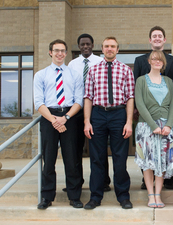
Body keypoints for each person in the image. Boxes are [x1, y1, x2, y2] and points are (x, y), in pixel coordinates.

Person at [83, 37, 134, 210]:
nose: (109, 49)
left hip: (118, 114)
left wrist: (128, 122)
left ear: (117, 49)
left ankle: (123, 196)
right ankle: (95, 197)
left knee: (120, 158)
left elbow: (130, 98)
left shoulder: (126, 70)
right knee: (97, 158)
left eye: (113, 46)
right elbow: (88, 97)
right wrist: (87, 121)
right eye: (106, 46)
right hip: (98, 114)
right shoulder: (93, 70)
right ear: (102, 49)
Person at [33, 39, 84, 209]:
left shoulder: (74, 75)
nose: (59, 54)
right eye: (56, 50)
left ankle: (74, 196)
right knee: (49, 160)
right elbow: (39, 103)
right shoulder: (41, 75)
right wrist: (54, 120)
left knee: (72, 160)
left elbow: (79, 101)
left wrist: (65, 118)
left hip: (69, 117)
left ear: (66, 53)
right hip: (49, 118)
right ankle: (47, 197)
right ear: (50, 52)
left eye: (62, 50)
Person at [134, 26, 173, 190]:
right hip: (147, 116)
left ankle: (168, 178)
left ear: (164, 39)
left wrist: (169, 122)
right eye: (154, 36)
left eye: (160, 36)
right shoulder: (140, 61)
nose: (157, 38)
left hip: (166, 115)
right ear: (150, 40)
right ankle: (146, 179)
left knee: (165, 149)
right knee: (147, 150)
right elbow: (136, 89)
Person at [67, 33, 112, 193]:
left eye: (88, 44)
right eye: (82, 44)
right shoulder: (72, 64)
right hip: (77, 108)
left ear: (93, 46)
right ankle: (76, 181)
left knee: (99, 147)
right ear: (78, 46)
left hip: (97, 109)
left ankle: (104, 181)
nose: (85, 47)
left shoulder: (100, 61)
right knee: (76, 147)